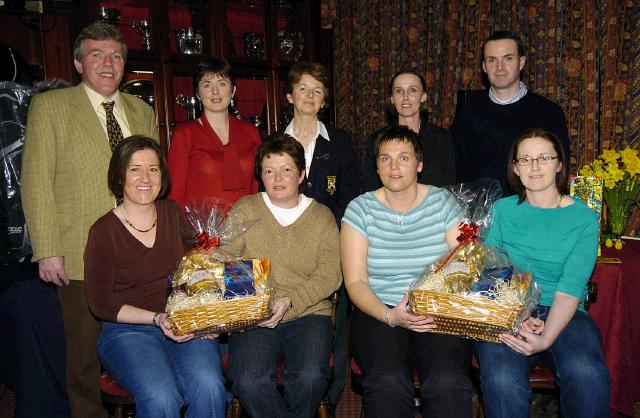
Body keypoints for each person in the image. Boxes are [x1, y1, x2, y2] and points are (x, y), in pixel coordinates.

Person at [20, 22, 158, 418]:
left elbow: (153, 180)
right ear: (79, 63)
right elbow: (36, 182)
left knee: (141, 345)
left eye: (116, 56)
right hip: (77, 253)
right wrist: (48, 250)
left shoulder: (142, 112)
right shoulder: (50, 107)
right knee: (83, 358)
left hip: (138, 252)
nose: (107, 63)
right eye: (96, 54)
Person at [84, 136, 226, 417]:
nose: (145, 177)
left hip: (183, 322)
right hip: (128, 331)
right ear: (119, 176)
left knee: (209, 386)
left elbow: (198, 267)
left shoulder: (172, 213)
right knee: (162, 396)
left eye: (153, 168)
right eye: (135, 169)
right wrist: (156, 318)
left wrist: (211, 315)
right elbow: (100, 303)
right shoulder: (103, 231)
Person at [475, 128, 610, 418]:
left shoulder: (585, 219)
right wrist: (517, 316)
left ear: (559, 164)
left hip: (566, 312)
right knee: (502, 381)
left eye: (543, 158)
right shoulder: (500, 210)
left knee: (587, 375)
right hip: (505, 311)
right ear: (515, 168)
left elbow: (571, 287)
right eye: (525, 159)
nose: (534, 167)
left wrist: (547, 335)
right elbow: (491, 272)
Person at [341, 125, 473, 418]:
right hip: (379, 311)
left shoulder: (444, 202)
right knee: (387, 383)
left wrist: (437, 300)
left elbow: (466, 260)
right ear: (376, 167)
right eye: (385, 158)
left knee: (448, 383)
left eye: (404, 157)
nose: (394, 166)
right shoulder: (360, 210)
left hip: (439, 310)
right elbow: (356, 281)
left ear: (420, 164)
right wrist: (390, 315)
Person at [223, 134, 342, 418]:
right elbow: (226, 255)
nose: (277, 178)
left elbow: (330, 274)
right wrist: (210, 258)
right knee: (248, 381)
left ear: (301, 174)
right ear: (260, 175)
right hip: (254, 314)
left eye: (286, 169)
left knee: (311, 377)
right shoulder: (246, 208)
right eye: (269, 170)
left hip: (308, 312)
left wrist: (290, 301)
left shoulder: (322, 217)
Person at [281, 61, 359, 407]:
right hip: (283, 251)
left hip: (332, 248)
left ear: (324, 100)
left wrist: (326, 238)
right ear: (290, 96)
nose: (309, 96)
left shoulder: (340, 143)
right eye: (303, 89)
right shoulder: (274, 142)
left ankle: (329, 399)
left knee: (336, 328)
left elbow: (350, 198)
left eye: (317, 91)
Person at [452, 31, 570, 195]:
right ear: (484, 66)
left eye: (508, 58)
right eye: (492, 60)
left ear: (521, 62)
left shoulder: (549, 112)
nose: (500, 68)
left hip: (534, 212)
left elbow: (560, 171)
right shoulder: (467, 114)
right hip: (481, 215)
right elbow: (458, 173)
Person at [167, 58, 261, 208]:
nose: (215, 92)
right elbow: (175, 195)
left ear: (233, 91)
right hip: (201, 230)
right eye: (207, 85)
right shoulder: (184, 134)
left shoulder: (250, 132)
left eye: (222, 84)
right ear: (198, 93)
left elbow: (257, 187)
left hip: (246, 226)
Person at [363, 70, 455, 191]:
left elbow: (448, 186)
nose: (405, 97)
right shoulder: (376, 140)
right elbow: (371, 189)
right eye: (399, 91)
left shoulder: (442, 138)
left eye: (412, 90)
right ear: (392, 98)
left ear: (423, 96)